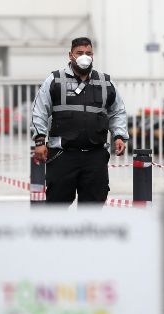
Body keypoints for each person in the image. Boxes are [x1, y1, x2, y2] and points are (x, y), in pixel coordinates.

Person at [30, 37, 129, 205]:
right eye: (80, 53)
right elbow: (39, 110)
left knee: (92, 208)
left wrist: (119, 135)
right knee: (56, 208)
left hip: (95, 156)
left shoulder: (105, 82)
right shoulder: (55, 80)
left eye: (89, 53)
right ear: (71, 55)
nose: (85, 56)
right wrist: (40, 140)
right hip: (63, 155)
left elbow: (117, 111)